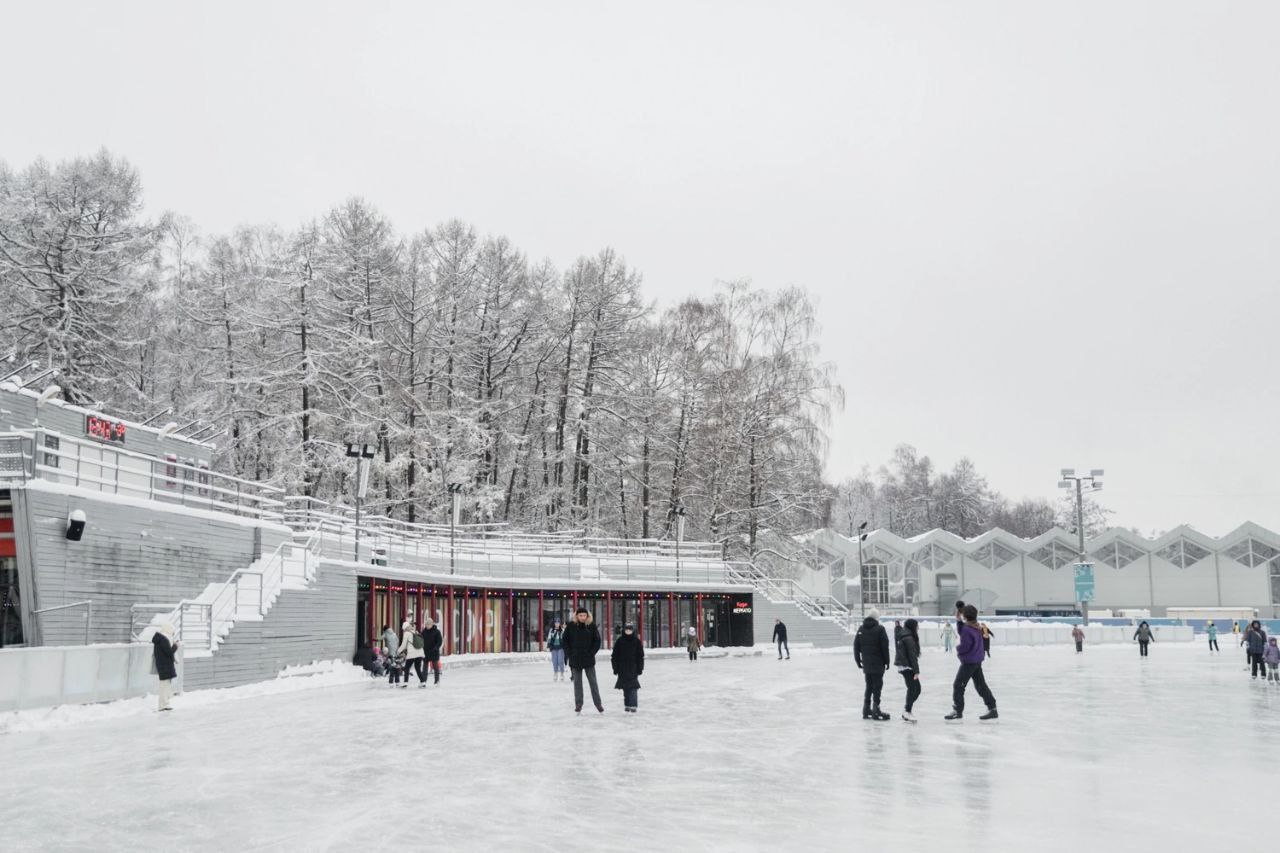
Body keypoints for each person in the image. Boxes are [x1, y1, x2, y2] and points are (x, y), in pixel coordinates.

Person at [946, 605, 997, 721]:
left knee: (958, 685)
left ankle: (957, 710)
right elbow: (963, 630)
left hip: (969, 662)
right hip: (977, 660)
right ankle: (992, 708)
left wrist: (958, 649)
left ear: (965, 616)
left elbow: (965, 646)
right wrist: (959, 620)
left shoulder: (967, 629)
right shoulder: (976, 626)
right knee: (981, 686)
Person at [563, 607, 604, 713]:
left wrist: (591, 653)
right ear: (576, 616)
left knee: (593, 682)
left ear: (587, 616)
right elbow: (565, 641)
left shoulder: (591, 626)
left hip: (588, 660)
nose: (582, 617)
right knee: (577, 683)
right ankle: (578, 704)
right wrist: (570, 654)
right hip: (575, 660)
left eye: (584, 615)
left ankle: (598, 703)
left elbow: (597, 641)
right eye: (580, 615)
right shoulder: (571, 626)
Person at [853, 608, 891, 721]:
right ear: (876, 618)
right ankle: (876, 710)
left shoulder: (861, 629)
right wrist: (887, 662)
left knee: (869, 686)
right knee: (877, 687)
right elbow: (885, 647)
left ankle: (866, 709)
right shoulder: (880, 629)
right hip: (878, 664)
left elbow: (856, 646)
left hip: (867, 664)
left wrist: (858, 661)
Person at [611, 623, 645, 712]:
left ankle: (633, 705)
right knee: (625, 688)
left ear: (633, 630)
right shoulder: (620, 641)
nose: (628, 631)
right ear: (624, 630)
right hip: (622, 668)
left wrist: (640, 668)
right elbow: (614, 656)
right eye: (627, 630)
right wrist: (615, 668)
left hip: (633, 668)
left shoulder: (637, 641)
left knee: (633, 687)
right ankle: (627, 704)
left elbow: (640, 656)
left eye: (630, 630)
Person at [894, 618, 922, 722]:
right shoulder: (909, 638)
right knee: (914, 689)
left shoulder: (903, 634)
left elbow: (896, 633)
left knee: (916, 689)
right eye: (917, 625)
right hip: (907, 666)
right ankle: (907, 711)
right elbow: (912, 655)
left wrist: (897, 626)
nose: (918, 627)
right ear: (912, 626)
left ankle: (907, 709)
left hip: (905, 665)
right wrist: (916, 671)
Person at [151, 623, 179, 712]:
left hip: (163, 664)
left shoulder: (160, 638)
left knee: (166, 685)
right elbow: (169, 652)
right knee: (164, 686)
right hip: (165, 665)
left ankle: (165, 704)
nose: (173, 633)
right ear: (168, 630)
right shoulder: (163, 639)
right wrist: (175, 646)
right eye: (172, 631)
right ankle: (162, 705)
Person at [422, 617, 443, 684]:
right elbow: (421, 640)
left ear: (431, 624)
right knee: (425, 668)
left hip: (434, 652)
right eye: (426, 624)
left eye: (428, 624)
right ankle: (424, 681)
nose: (427, 626)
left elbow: (439, 641)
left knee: (435, 667)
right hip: (426, 652)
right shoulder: (424, 631)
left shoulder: (437, 632)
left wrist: (436, 648)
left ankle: (437, 680)